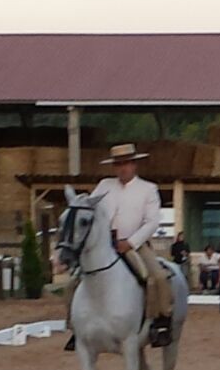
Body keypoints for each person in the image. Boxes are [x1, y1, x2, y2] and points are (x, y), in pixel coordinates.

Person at [64, 143, 173, 351]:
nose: (122, 168)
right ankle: (74, 327)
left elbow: (152, 222)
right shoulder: (104, 185)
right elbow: (90, 210)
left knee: (158, 277)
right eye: (118, 164)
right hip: (104, 245)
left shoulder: (148, 189)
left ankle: (161, 323)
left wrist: (131, 242)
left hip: (135, 245)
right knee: (73, 282)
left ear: (134, 165)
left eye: (126, 163)